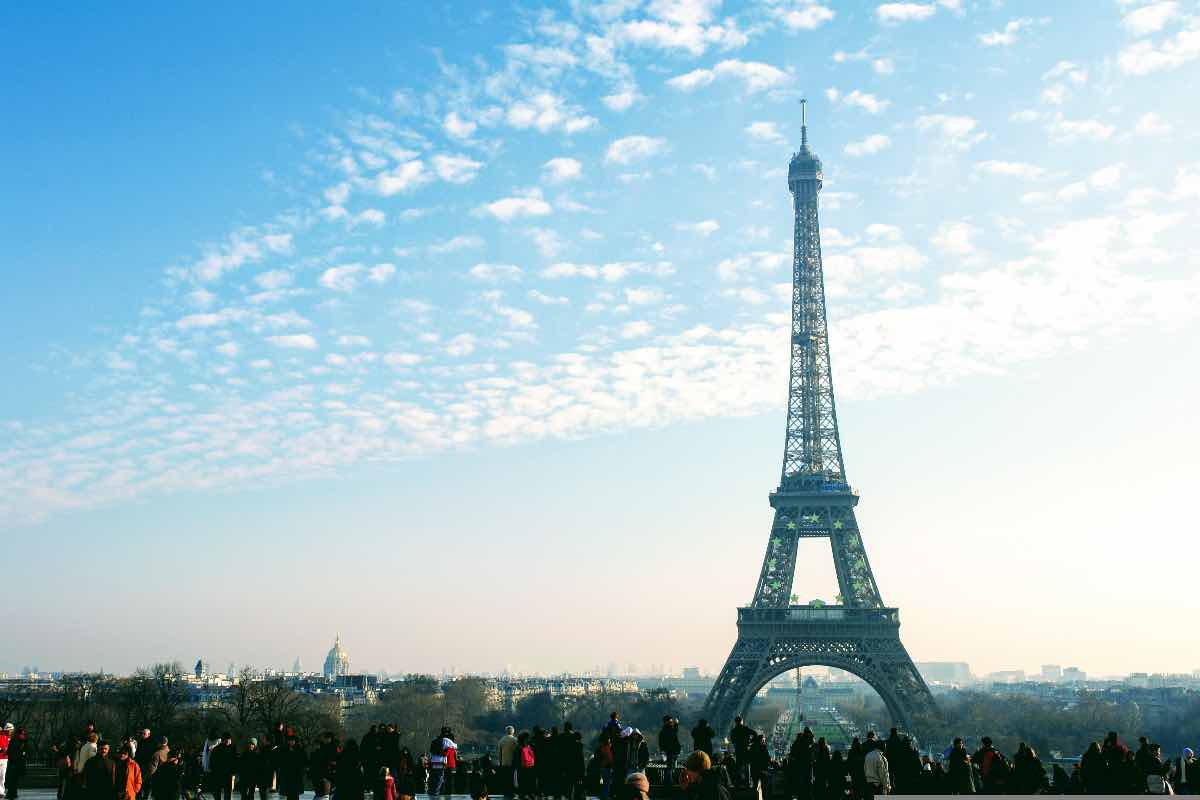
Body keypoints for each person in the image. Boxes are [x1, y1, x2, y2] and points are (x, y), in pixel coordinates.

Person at [428, 728, 458, 797]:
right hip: (442, 763)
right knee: (440, 779)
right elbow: (454, 746)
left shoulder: (434, 741)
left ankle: (432, 792)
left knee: (434, 779)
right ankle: (437, 793)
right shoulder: (446, 741)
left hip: (434, 762)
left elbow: (431, 752)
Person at [209, 734, 237, 800]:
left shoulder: (232, 748)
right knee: (219, 794)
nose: (228, 741)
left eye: (229, 739)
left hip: (227, 775)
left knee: (226, 794)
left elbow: (235, 762)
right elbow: (212, 763)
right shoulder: (217, 749)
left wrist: (233, 774)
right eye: (227, 740)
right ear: (223, 740)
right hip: (219, 775)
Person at [728, 718, 755, 786]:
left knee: (738, 766)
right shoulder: (745, 729)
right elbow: (755, 733)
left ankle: (739, 781)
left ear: (735, 722)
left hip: (738, 749)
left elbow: (733, 740)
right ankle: (747, 781)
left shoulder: (734, 731)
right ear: (742, 721)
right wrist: (751, 742)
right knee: (747, 765)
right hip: (745, 749)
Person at [4, 726, 27, 800]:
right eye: (22, 734)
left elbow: (26, 751)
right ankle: (11, 793)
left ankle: (13, 793)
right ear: (19, 734)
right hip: (14, 763)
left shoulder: (23, 741)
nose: (23, 735)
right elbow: (11, 752)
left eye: (24, 734)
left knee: (15, 780)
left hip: (18, 763)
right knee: (12, 780)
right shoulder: (14, 741)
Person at [498, 727, 518, 797]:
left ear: (506, 731)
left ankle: (506, 792)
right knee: (512, 779)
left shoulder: (501, 740)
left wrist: (500, 762)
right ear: (513, 732)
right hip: (512, 762)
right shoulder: (515, 740)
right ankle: (512, 793)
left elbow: (499, 753)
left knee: (505, 778)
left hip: (504, 762)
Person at [0, 723, 10, 800]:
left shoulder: (7, 737)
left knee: (2, 776)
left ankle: (1, 792)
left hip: (4, 758)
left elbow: (8, 748)